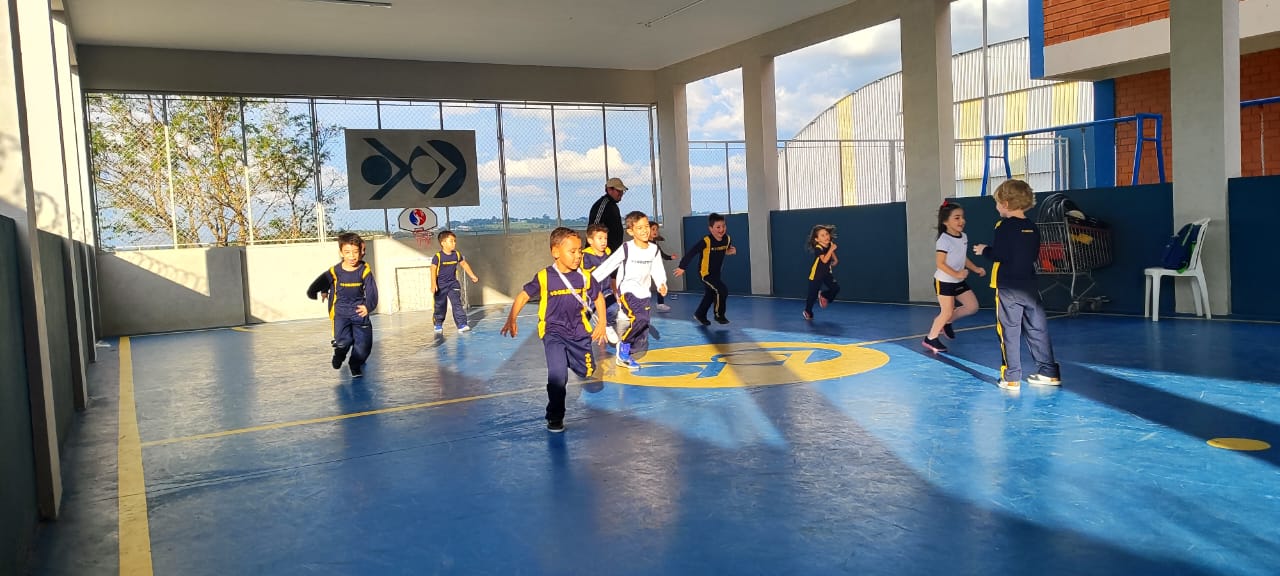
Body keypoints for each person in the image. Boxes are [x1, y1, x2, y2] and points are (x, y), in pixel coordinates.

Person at [501, 227, 609, 432]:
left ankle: (570, 359)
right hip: (553, 332)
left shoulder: (585, 277)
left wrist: (602, 322)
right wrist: (511, 317)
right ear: (556, 252)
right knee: (558, 376)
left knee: (586, 371)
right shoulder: (544, 277)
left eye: (580, 251)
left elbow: (598, 298)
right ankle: (555, 417)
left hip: (579, 332)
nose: (578, 255)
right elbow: (524, 295)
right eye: (572, 251)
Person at [973, 179, 1061, 390]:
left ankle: (1011, 376)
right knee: (1037, 328)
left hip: (1008, 287)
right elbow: (1032, 255)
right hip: (1029, 286)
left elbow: (1000, 254)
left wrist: (984, 250)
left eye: (997, 203)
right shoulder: (1032, 227)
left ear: (1005, 203)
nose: (996, 207)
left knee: (1009, 332)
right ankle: (1049, 372)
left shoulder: (1003, 226)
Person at [591, 211, 668, 369]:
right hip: (627, 291)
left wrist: (661, 283)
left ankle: (627, 350)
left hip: (644, 293)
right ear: (631, 231)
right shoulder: (627, 248)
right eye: (639, 228)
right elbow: (609, 265)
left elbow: (657, 269)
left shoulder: (654, 249)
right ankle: (623, 349)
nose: (644, 230)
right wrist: (590, 281)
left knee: (642, 331)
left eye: (646, 226)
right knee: (640, 319)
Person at [306, 232, 379, 378]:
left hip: (359, 311)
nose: (352, 256)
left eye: (355, 252)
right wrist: (314, 291)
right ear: (341, 253)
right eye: (347, 252)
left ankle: (355, 364)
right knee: (344, 341)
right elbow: (323, 280)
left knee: (364, 346)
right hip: (341, 312)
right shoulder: (335, 271)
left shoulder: (365, 270)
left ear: (360, 252)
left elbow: (372, 290)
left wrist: (368, 306)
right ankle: (339, 354)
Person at [922, 202, 985, 352]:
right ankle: (930, 338)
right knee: (947, 311)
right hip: (944, 281)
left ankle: (947, 321)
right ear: (946, 222)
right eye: (957, 218)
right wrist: (957, 274)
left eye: (962, 217)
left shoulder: (963, 236)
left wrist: (975, 268)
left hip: (958, 280)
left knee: (972, 307)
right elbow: (940, 263)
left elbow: (962, 258)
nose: (962, 221)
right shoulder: (944, 240)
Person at [674, 212, 735, 325]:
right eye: (718, 227)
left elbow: (726, 250)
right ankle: (719, 315)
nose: (722, 229)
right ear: (711, 229)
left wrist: (730, 251)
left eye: (723, 226)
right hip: (705, 274)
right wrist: (682, 267)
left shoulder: (727, 239)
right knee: (722, 290)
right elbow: (691, 253)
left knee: (710, 294)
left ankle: (700, 314)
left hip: (716, 273)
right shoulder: (706, 241)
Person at [430, 231, 479, 334]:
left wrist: (472, 275)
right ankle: (438, 323)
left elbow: (464, 264)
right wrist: (433, 284)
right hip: (440, 285)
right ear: (443, 243)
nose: (454, 243)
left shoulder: (456, 254)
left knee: (457, 304)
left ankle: (462, 324)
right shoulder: (438, 256)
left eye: (455, 241)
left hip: (453, 284)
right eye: (451, 241)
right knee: (440, 306)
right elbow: (433, 269)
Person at [582, 223, 620, 341]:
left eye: (605, 238)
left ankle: (607, 325)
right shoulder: (585, 256)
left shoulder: (608, 253)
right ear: (590, 240)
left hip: (606, 290)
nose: (604, 241)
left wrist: (616, 291)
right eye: (600, 238)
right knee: (583, 318)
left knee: (614, 308)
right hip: (591, 293)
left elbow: (612, 274)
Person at [802, 224, 840, 321]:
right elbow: (824, 260)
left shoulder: (829, 244)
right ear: (817, 239)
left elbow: (831, 252)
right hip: (816, 275)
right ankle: (808, 311)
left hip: (826, 273)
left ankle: (824, 295)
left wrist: (835, 260)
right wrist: (831, 249)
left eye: (826, 234)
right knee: (812, 295)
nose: (826, 236)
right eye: (822, 235)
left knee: (835, 288)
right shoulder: (818, 248)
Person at [588, 177, 628, 251]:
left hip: (612, 250)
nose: (621, 193)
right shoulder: (603, 205)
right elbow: (593, 229)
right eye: (618, 191)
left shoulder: (612, 205)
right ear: (609, 190)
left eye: (622, 191)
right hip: (602, 251)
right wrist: (593, 252)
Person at [649, 220, 677, 312]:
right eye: (653, 229)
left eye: (656, 229)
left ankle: (660, 304)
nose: (655, 231)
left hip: (655, 268)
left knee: (661, 283)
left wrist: (670, 257)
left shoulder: (655, 243)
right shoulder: (644, 243)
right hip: (645, 268)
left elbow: (661, 254)